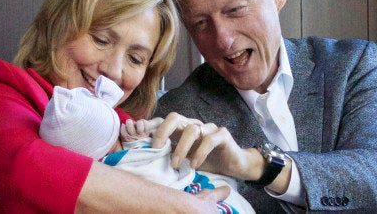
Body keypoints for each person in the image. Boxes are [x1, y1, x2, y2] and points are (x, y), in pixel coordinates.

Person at [151, 0, 377, 213]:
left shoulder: (350, 65)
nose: (223, 39)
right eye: (200, 23)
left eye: (235, 10)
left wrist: (258, 165)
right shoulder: (180, 114)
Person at [0, 0, 230, 213]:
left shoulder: (125, 125)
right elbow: (24, 172)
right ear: (57, 24)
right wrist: (182, 207)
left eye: (135, 58)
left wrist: (188, 159)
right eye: (100, 40)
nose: (112, 70)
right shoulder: (3, 88)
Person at [39, 75, 255, 214]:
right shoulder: (119, 163)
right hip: (194, 194)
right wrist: (140, 140)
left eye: (135, 58)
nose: (113, 71)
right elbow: (150, 164)